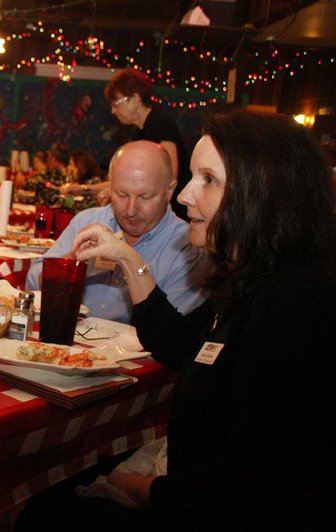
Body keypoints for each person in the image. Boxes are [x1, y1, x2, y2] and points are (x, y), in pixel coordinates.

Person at [19, 108, 336, 530]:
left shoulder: (293, 307)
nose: (185, 196)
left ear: (262, 192)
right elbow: (183, 344)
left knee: (43, 515)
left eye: (208, 180)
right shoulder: (250, 282)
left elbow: (252, 487)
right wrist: (129, 260)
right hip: (191, 493)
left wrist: (142, 490)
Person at [25, 140, 206, 323]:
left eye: (145, 197)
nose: (131, 210)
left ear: (169, 191)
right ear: (110, 187)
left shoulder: (188, 246)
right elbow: (33, 281)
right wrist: (69, 264)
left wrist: (135, 266)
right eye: (122, 194)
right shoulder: (87, 221)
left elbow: (169, 330)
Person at [105, 68, 191, 220]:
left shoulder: (161, 123)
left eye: (116, 103)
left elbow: (170, 175)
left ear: (135, 99)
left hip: (171, 217)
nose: (113, 110)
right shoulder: (139, 133)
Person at [24, 143, 70, 207]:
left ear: (53, 158)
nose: (47, 161)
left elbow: (27, 184)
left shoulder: (50, 175)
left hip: (48, 213)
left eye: (48, 157)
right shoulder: (70, 175)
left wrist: (23, 178)